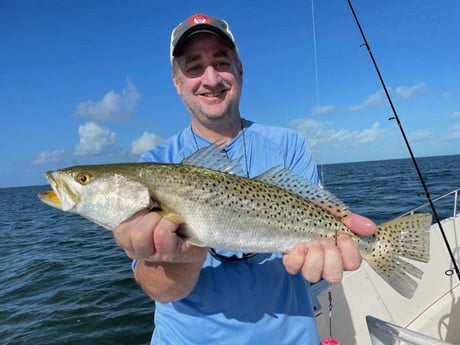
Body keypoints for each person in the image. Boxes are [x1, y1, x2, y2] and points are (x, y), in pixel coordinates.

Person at [113, 13, 376, 345]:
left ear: (240, 70)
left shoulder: (287, 145)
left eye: (221, 63)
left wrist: (333, 244)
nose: (210, 79)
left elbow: (314, 227)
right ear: (177, 84)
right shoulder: (154, 166)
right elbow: (157, 288)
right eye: (193, 67)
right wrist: (183, 260)